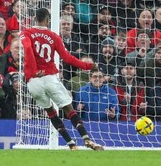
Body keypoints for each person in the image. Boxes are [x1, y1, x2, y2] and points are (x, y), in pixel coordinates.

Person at [20, 8, 103, 151]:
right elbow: (67, 58)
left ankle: (71, 144)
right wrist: (89, 66)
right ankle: (86, 139)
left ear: (35, 18)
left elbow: (27, 48)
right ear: (48, 20)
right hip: (49, 77)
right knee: (68, 109)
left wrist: (33, 71)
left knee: (50, 111)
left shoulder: (25, 33)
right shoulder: (53, 36)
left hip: (33, 82)